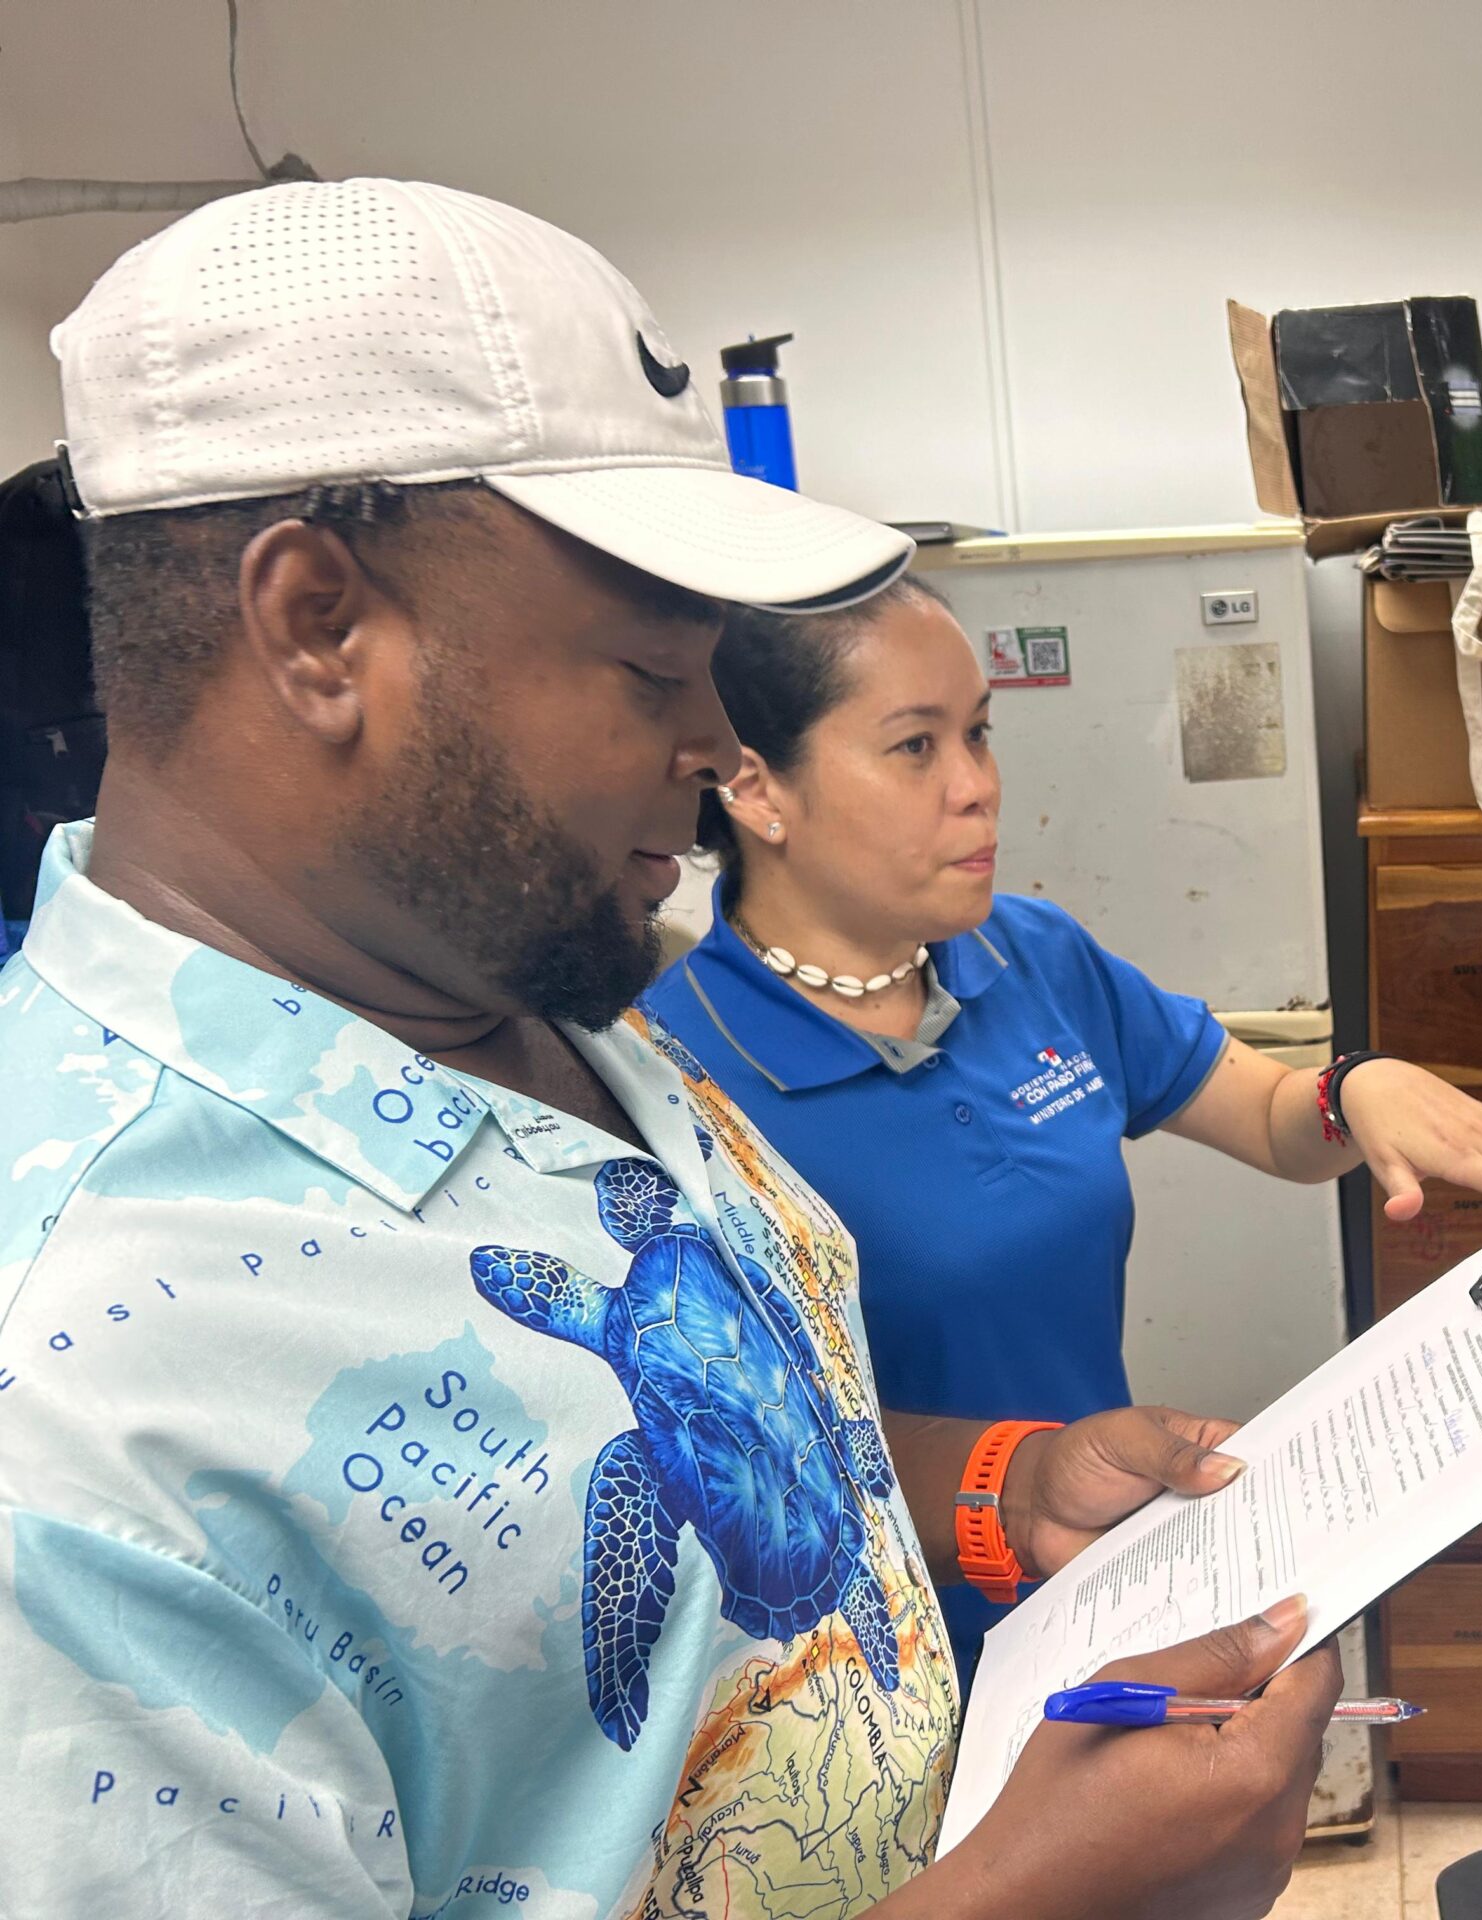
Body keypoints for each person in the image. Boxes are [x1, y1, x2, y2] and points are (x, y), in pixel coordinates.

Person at [0, 177, 1340, 1920]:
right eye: (649, 672)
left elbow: (640, 1475)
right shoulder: (77, 1423)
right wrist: (1034, 1900)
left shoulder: (539, 1000)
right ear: (319, 628)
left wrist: (998, 1486)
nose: (718, 743)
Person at [641, 587, 1482, 1674]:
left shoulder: (1030, 957)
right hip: (867, 1671)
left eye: (978, 733)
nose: (977, 786)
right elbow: (724, 1453)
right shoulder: (672, 1072)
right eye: (915, 746)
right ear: (754, 789)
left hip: (1100, 1592)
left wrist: (1357, 1091)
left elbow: (1270, 1115)